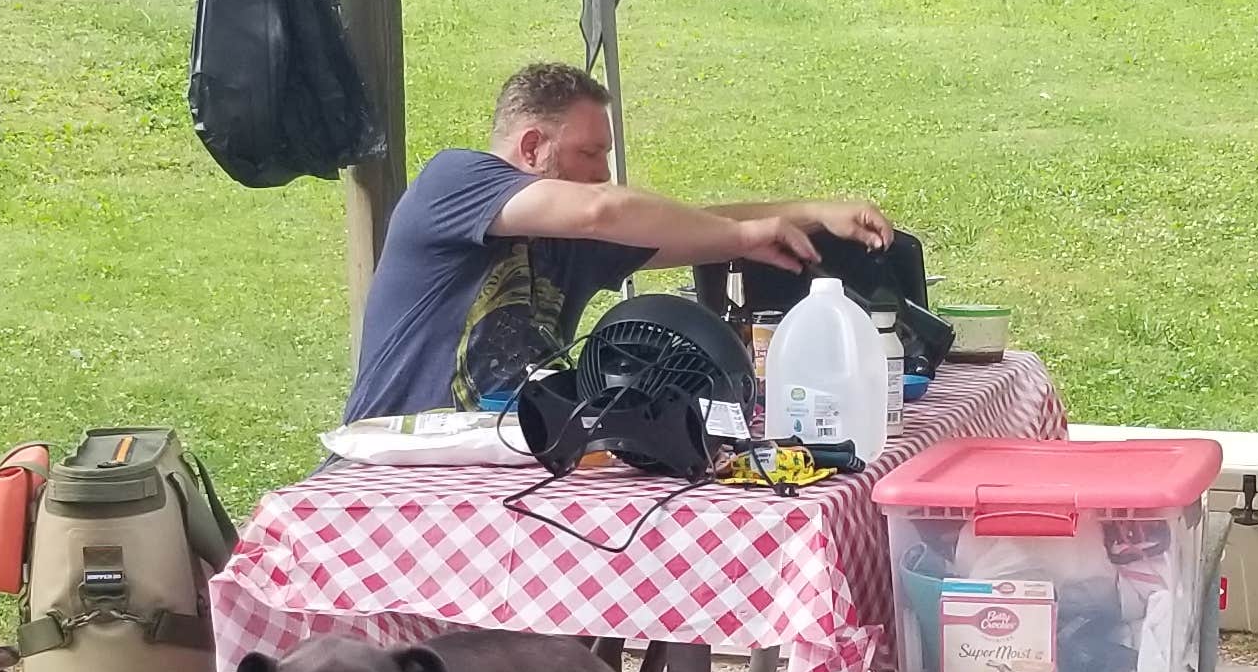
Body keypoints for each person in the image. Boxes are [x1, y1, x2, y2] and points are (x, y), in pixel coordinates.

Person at [345, 61, 892, 423]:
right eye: (589, 153)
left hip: (496, 473)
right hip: (391, 470)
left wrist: (811, 213)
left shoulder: (570, 236)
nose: (602, 172)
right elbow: (603, 209)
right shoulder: (456, 180)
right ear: (533, 146)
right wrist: (743, 236)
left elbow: (686, 223)